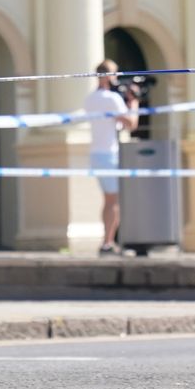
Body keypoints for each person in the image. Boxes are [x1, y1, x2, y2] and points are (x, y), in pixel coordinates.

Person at [83, 61, 138, 255]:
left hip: (97, 153)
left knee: (110, 200)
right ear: (107, 76)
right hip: (109, 154)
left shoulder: (90, 99)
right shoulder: (112, 99)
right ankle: (107, 243)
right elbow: (131, 124)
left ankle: (109, 241)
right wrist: (133, 102)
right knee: (113, 201)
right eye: (115, 74)